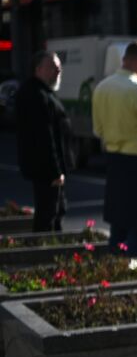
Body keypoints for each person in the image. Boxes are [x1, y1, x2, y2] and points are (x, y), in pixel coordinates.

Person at [92, 41, 137, 256]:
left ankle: (117, 266)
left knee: (119, 220)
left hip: (114, 161)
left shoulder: (102, 88)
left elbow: (97, 130)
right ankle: (136, 266)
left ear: (124, 59)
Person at [15, 51, 71, 232]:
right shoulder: (36, 95)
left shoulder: (43, 92)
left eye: (59, 67)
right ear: (38, 69)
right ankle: (47, 253)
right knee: (48, 213)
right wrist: (55, 171)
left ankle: (52, 251)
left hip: (46, 168)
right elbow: (44, 137)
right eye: (53, 67)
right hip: (45, 169)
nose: (58, 71)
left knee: (55, 210)